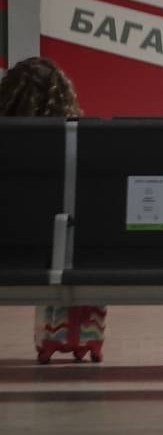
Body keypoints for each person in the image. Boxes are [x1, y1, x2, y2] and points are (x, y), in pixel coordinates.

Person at [0, 57, 109, 364]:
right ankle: (79, 336)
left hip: (9, 249)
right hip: (64, 251)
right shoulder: (84, 145)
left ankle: (59, 335)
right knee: (75, 245)